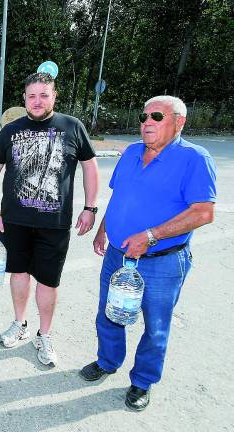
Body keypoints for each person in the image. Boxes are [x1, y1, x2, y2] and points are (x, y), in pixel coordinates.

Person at [79, 96, 216, 411]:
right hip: (118, 254)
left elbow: (203, 212)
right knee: (110, 313)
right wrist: (104, 229)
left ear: (179, 122)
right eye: (143, 117)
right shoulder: (131, 153)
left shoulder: (194, 158)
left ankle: (142, 381)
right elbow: (120, 197)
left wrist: (152, 236)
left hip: (162, 262)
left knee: (155, 326)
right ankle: (108, 360)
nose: (147, 123)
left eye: (157, 116)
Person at [0, 72, 99, 366]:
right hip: (15, 221)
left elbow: (90, 168)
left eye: (43, 95)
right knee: (19, 274)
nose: (37, 101)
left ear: (54, 97)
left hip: (55, 224)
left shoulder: (72, 126)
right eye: (31, 96)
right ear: (24, 98)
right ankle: (19, 325)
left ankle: (44, 335)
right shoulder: (11, 131)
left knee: (48, 282)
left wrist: (91, 207)